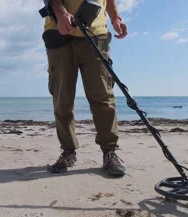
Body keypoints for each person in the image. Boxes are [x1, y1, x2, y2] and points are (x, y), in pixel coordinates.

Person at [42, 0, 128, 177]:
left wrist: (115, 17)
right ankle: (68, 152)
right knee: (62, 99)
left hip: (96, 35)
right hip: (58, 33)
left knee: (103, 97)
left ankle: (110, 153)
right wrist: (60, 13)